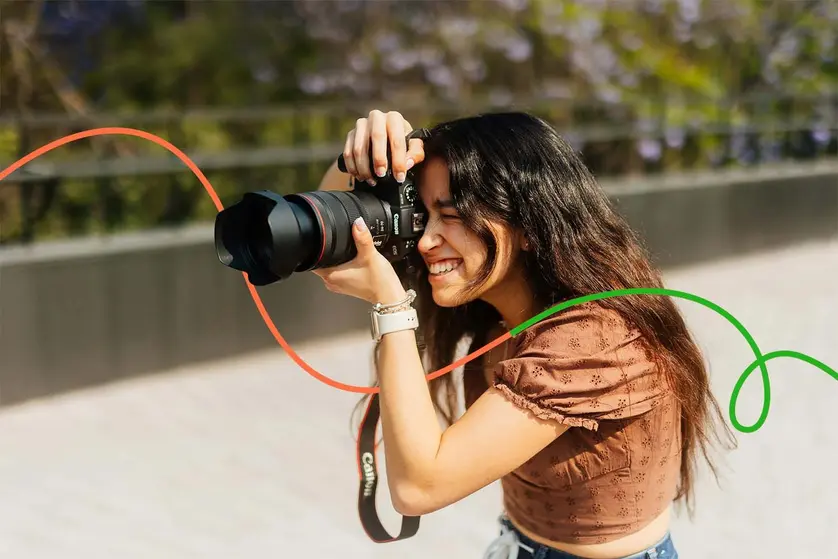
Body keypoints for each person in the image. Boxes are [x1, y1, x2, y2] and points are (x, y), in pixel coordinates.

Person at [313, 109, 734, 559]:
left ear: (530, 228)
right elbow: (330, 245)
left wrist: (392, 309)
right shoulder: (500, 310)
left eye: (451, 215)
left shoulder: (596, 339)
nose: (425, 241)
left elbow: (419, 487)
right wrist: (357, 161)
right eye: (423, 216)